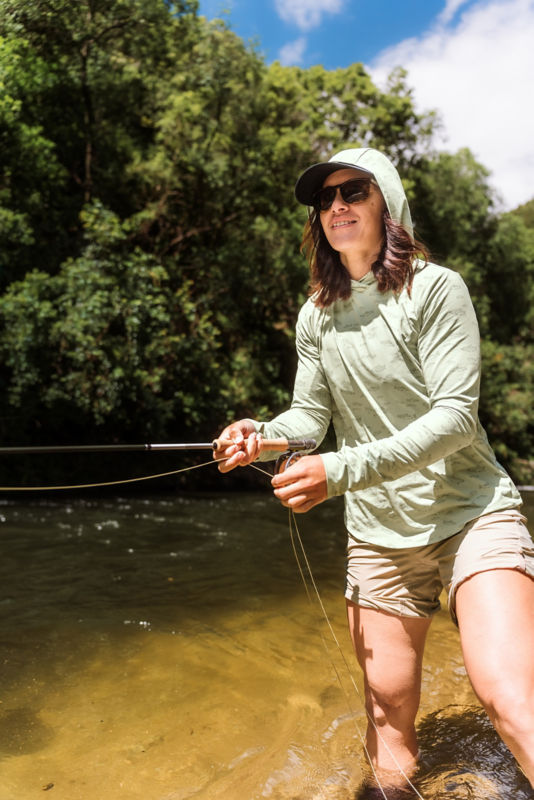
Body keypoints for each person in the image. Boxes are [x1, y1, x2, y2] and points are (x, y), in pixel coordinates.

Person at [213, 147, 534, 796]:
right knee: (387, 727)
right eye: (325, 200)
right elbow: (309, 418)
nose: (337, 206)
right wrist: (262, 438)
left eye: (353, 191)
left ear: (386, 202)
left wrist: (338, 470)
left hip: (471, 515)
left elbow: (455, 420)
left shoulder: (435, 288)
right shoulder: (316, 317)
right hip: (378, 538)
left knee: (510, 699)